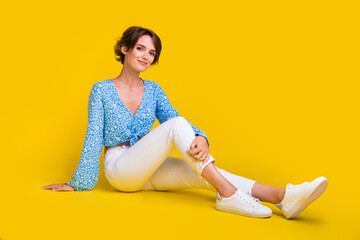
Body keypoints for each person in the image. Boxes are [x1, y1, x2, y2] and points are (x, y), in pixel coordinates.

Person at [42, 26, 328, 219]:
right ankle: (228, 195)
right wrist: (78, 184)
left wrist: (201, 137)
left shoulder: (153, 90)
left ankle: (283, 197)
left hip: (146, 165)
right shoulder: (101, 90)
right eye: (140, 49)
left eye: (151, 53)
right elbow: (93, 136)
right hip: (120, 168)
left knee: (199, 170)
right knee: (179, 127)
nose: (146, 56)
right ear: (125, 49)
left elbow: (173, 118)